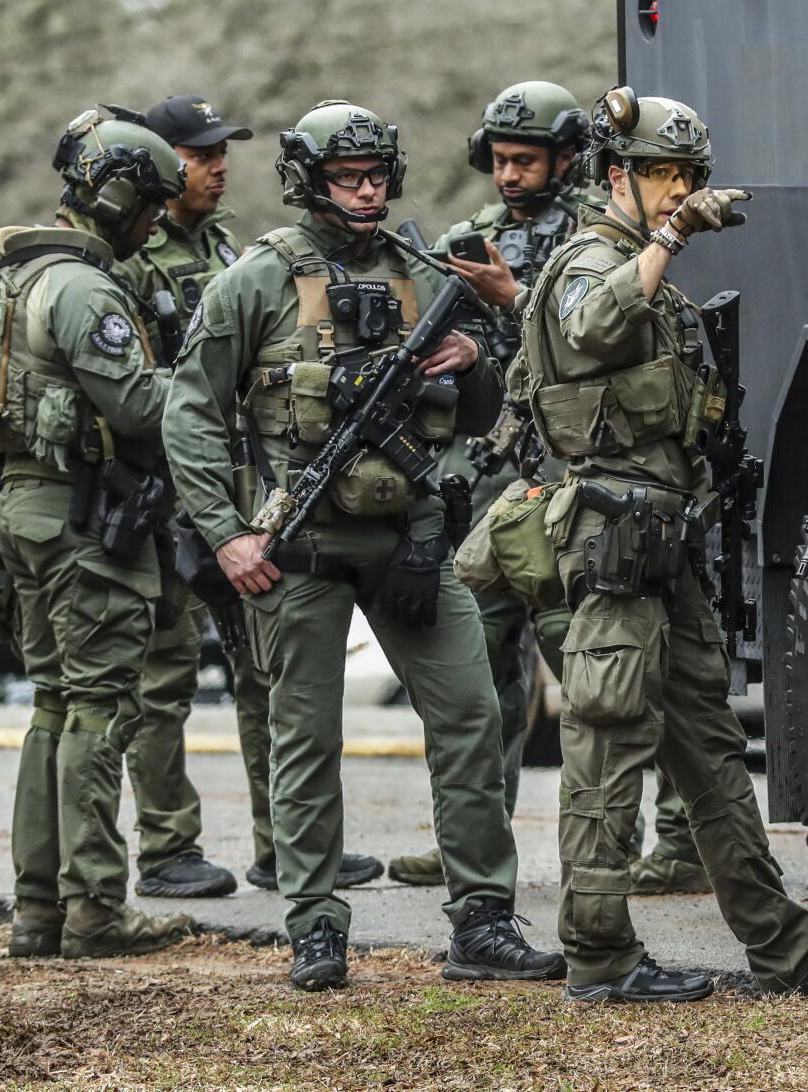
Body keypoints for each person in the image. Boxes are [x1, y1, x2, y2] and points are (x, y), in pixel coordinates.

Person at [165, 99, 564, 991]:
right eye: (347, 177)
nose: (366, 191)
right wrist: (226, 534)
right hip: (296, 548)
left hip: (411, 542)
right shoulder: (256, 281)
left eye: (377, 174)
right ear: (309, 183)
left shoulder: (426, 271)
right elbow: (189, 411)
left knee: (473, 717)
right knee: (307, 741)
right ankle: (314, 925)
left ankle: (483, 921)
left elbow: (488, 411)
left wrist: (471, 360)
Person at [524, 88, 808, 1002]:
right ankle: (601, 958)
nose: (678, 191)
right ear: (617, 177)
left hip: (669, 545)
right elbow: (589, 329)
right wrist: (670, 236)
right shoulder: (587, 261)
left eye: (689, 177)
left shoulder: (655, 275)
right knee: (609, 742)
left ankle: (785, 949)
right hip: (615, 545)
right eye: (659, 174)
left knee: (713, 749)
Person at [392, 79, 706, 897]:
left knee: (615, 673)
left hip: (589, 481)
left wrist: (511, 300)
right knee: (477, 665)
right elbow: (449, 368)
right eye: (497, 161)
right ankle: (472, 837)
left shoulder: (601, 240)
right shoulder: (466, 242)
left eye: (524, 160)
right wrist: (461, 357)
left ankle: (658, 838)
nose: (508, 175)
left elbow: (592, 337)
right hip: (505, 483)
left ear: (570, 159)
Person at [115, 94, 381, 898]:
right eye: (199, 154)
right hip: (159, 496)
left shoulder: (229, 249)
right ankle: (166, 851)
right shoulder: (131, 258)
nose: (218, 165)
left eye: (221, 150)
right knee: (161, 679)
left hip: (244, 497)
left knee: (264, 672)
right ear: (159, 166)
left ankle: (284, 846)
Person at [0, 108, 197, 959]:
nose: (155, 224)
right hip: (80, 516)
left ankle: (39, 907)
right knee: (101, 709)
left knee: (54, 706)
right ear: (119, 196)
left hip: (24, 509)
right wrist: (204, 385)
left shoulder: (12, 280)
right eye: (150, 206)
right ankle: (96, 905)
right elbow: (136, 405)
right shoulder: (85, 288)